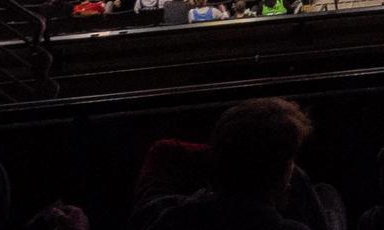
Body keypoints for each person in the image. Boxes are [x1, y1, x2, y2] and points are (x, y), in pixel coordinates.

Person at [131, 97, 330, 230]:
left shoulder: (167, 218)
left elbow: (163, 152)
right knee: (327, 194)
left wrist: (231, 149)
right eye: (289, 165)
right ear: (283, 180)